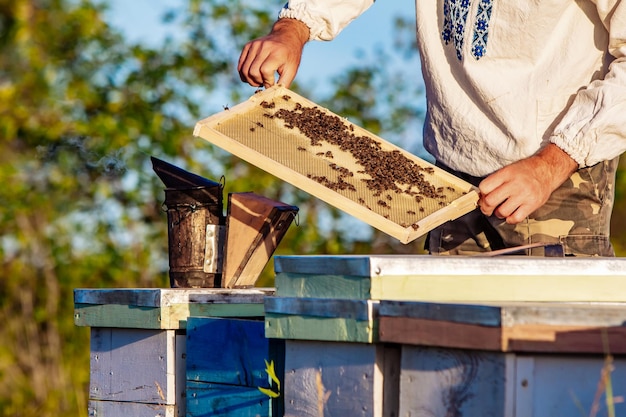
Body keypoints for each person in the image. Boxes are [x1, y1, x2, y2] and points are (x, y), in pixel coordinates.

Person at [237, 0, 626, 256]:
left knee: (552, 360)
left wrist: (549, 165)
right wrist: (294, 26)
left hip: (555, 180)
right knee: (446, 352)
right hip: (450, 179)